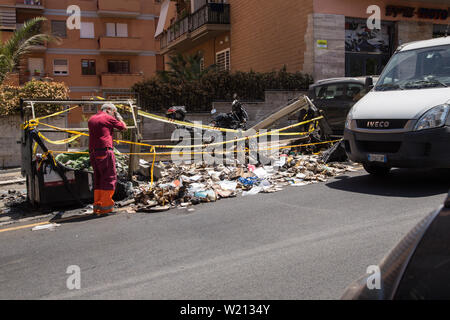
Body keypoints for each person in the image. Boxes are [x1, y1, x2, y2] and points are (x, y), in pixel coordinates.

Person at [88, 103, 127, 215]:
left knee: (98, 178)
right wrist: (119, 118)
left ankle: (97, 206)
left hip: (93, 152)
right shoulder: (108, 117)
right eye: (114, 112)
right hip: (104, 151)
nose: (114, 115)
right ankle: (106, 207)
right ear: (109, 110)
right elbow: (123, 127)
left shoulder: (92, 118)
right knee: (109, 177)